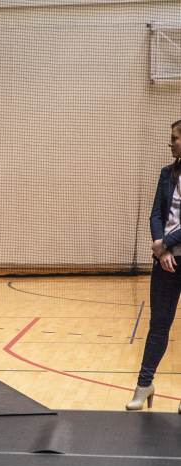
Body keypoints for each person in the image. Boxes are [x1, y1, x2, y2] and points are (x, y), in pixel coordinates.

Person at [127, 119, 181, 412]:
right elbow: (155, 215)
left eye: (174, 138)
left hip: (170, 250)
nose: (169, 142)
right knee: (158, 326)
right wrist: (161, 250)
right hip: (166, 262)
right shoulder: (165, 174)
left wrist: (167, 243)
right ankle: (144, 385)